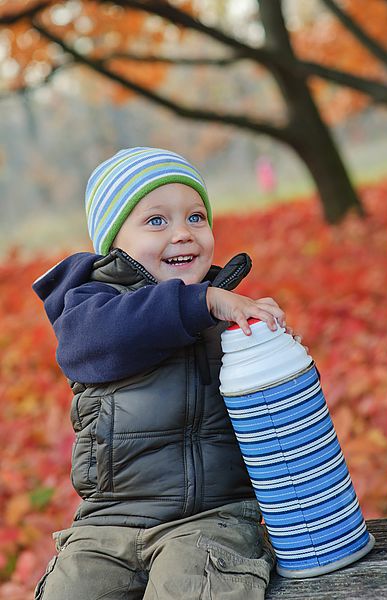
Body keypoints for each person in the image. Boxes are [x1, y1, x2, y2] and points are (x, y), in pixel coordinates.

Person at [32, 147, 289, 600]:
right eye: (156, 221)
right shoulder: (89, 310)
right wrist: (203, 302)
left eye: (195, 218)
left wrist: (272, 347)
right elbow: (98, 343)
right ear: (114, 242)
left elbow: (281, 420)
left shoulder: (228, 316)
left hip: (211, 519)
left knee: (194, 586)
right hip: (109, 522)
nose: (183, 234)